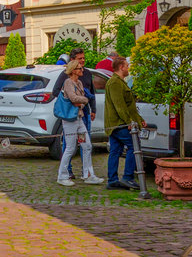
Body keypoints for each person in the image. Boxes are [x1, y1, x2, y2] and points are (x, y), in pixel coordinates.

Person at [55, 53, 97, 186]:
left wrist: (82, 101)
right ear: (73, 70)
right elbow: (74, 98)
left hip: (79, 118)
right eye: (79, 68)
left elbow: (81, 100)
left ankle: (88, 174)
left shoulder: (78, 82)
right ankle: (62, 176)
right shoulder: (68, 82)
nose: (82, 70)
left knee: (87, 145)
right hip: (70, 120)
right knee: (70, 148)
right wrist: (84, 100)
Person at [102, 56, 142, 190]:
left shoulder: (120, 82)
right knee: (134, 146)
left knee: (115, 150)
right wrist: (129, 122)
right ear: (121, 67)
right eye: (127, 66)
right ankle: (127, 177)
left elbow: (128, 105)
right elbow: (120, 106)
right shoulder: (115, 83)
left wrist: (139, 119)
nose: (128, 68)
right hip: (119, 124)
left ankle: (113, 180)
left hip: (117, 123)